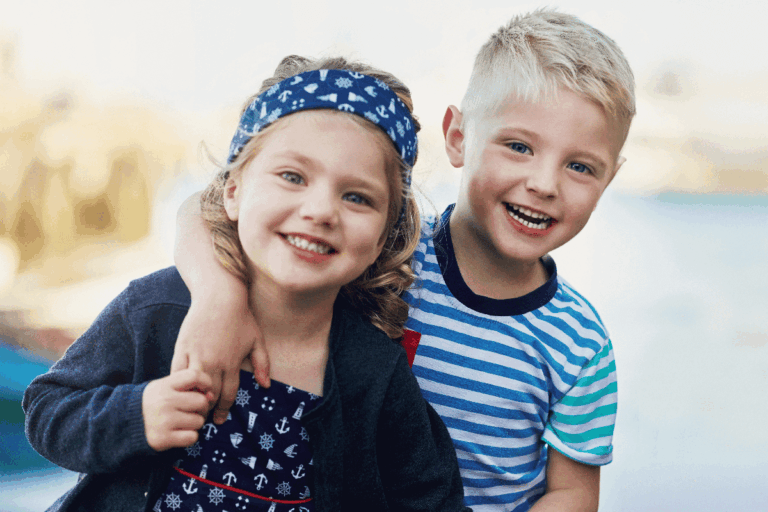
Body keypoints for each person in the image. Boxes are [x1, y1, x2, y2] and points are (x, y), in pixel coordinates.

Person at [171, 9, 636, 512]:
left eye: (580, 166)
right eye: (519, 146)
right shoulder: (381, 256)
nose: (544, 184)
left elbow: (572, 494)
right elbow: (208, 207)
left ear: (609, 177)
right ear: (458, 137)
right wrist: (218, 299)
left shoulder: (581, 344)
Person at [23, 55, 471, 512]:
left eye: (356, 197)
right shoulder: (157, 309)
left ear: (382, 238)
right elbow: (46, 410)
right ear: (234, 191)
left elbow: (432, 499)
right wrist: (135, 416)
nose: (320, 210)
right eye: (292, 177)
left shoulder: (375, 371)